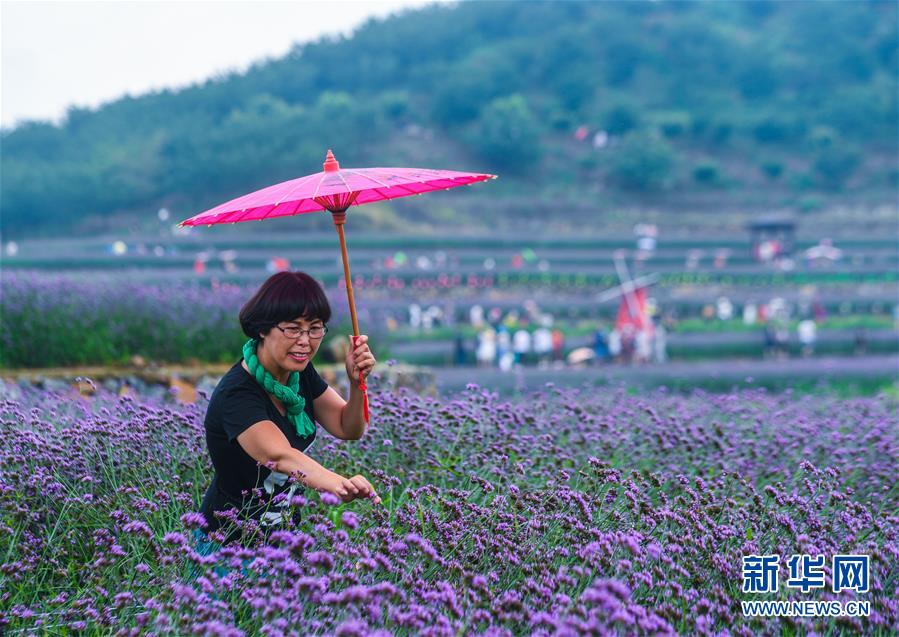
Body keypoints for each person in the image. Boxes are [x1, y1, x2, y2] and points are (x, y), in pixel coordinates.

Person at [196, 271, 380, 550]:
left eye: (315, 328)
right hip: (227, 547)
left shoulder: (300, 374)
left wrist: (356, 384)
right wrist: (340, 484)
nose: (305, 341)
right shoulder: (237, 393)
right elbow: (279, 456)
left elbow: (348, 426)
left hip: (283, 544)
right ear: (262, 328)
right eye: (293, 329)